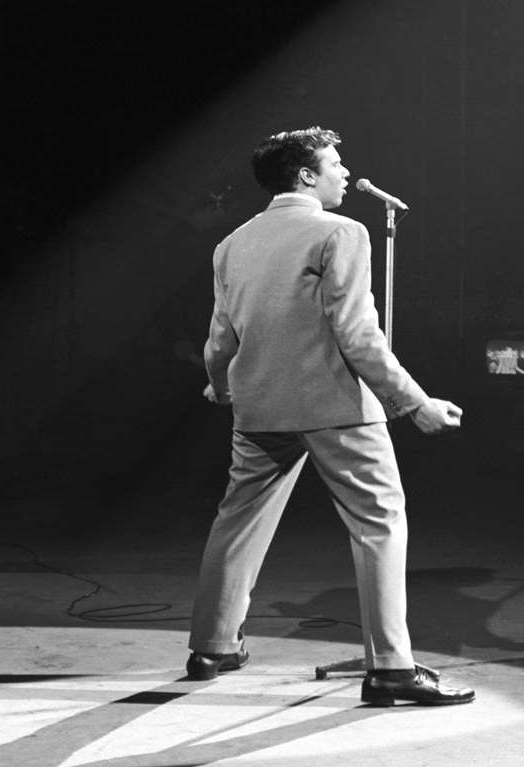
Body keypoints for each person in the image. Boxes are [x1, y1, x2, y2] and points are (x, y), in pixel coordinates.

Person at [186, 127, 473, 707]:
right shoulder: (342, 231)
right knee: (379, 523)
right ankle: (391, 667)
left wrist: (220, 388)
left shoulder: (232, 243)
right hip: (335, 404)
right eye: (335, 163)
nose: (345, 172)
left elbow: (220, 340)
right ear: (305, 176)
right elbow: (358, 334)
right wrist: (414, 402)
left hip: (259, 405)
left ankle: (211, 646)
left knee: (236, 522)